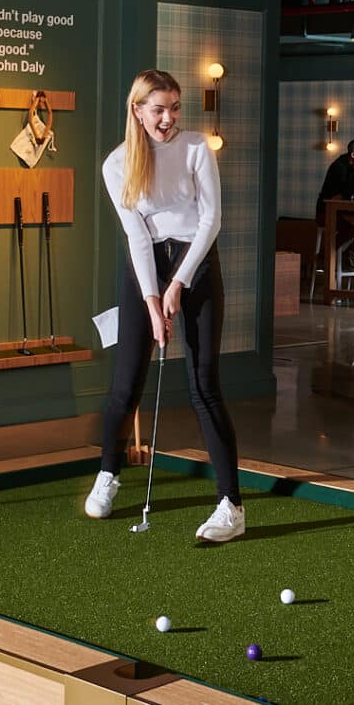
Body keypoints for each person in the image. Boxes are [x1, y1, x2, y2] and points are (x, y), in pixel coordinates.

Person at [85, 69, 244, 542]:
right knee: (124, 385)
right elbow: (137, 236)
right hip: (146, 269)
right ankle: (109, 474)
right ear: (137, 110)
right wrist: (154, 302)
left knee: (204, 386)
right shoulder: (116, 165)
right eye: (158, 109)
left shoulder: (197, 147)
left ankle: (231, 506)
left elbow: (211, 220)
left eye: (175, 108)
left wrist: (179, 284)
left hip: (196, 262)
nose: (169, 118)